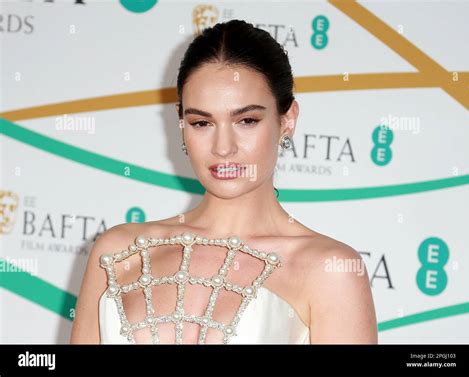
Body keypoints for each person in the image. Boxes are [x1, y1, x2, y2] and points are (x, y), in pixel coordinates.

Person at [70, 19, 378, 345]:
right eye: (202, 122)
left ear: (287, 120)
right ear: (181, 123)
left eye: (246, 120)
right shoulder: (119, 253)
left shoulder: (329, 270)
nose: (223, 147)